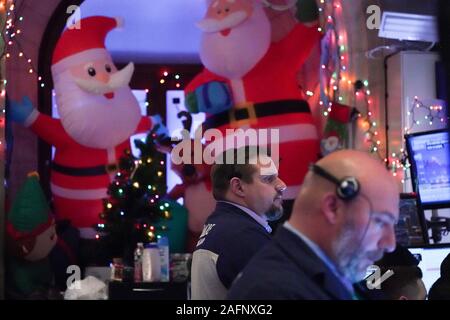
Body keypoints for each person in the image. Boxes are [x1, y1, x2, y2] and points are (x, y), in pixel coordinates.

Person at [228, 150, 399, 300]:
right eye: (380, 221)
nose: (390, 243)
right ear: (333, 207)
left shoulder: (329, 273)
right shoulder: (271, 291)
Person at [190, 146, 286, 300]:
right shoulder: (243, 237)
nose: (282, 185)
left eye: (278, 176)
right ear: (239, 187)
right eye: (268, 179)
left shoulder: (224, 227)